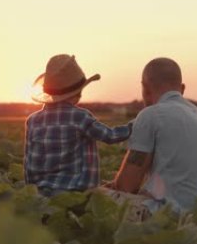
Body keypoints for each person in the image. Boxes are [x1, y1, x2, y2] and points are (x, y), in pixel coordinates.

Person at [105, 57, 197, 217]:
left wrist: (108, 187)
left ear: (145, 88)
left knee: (93, 196)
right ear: (182, 89)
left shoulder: (151, 115)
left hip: (177, 218)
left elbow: (126, 186)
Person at [24, 54, 131, 197]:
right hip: (76, 194)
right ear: (77, 94)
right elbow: (110, 136)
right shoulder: (79, 116)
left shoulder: (33, 120)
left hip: (41, 193)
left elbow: (28, 161)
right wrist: (135, 126)